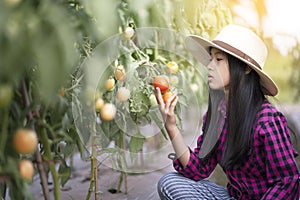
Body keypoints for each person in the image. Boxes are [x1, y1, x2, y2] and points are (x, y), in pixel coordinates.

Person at [155, 24, 300, 199]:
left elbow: (287, 182)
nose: (209, 66)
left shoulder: (267, 120)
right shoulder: (218, 115)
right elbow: (198, 169)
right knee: (169, 183)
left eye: (219, 59)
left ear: (245, 68)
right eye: (211, 59)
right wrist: (171, 126)